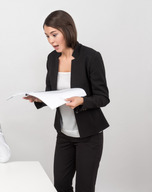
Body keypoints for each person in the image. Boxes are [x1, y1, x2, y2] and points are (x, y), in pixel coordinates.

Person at [24, 10, 110, 192]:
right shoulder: (51, 59)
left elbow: (103, 97)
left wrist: (82, 101)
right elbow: (52, 93)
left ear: (68, 30)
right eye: (47, 36)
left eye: (54, 34)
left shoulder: (91, 57)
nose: (51, 41)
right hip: (64, 135)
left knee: (84, 188)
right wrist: (38, 98)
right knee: (61, 186)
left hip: (89, 137)